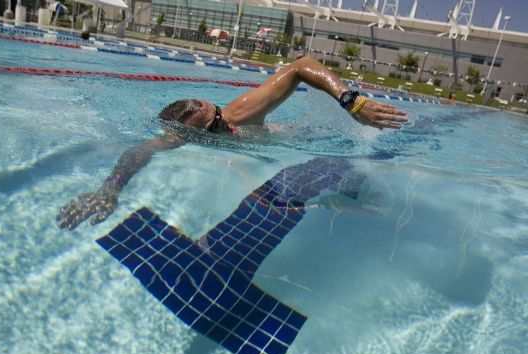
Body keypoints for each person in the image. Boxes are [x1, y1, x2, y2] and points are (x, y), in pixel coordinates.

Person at [57, 55, 407, 230]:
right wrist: (110, 190)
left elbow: (301, 65)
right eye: (215, 127)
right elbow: (139, 151)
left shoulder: (239, 114)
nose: (229, 127)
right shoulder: (183, 136)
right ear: (192, 137)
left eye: (220, 115)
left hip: (310, 140)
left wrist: (351, 101)